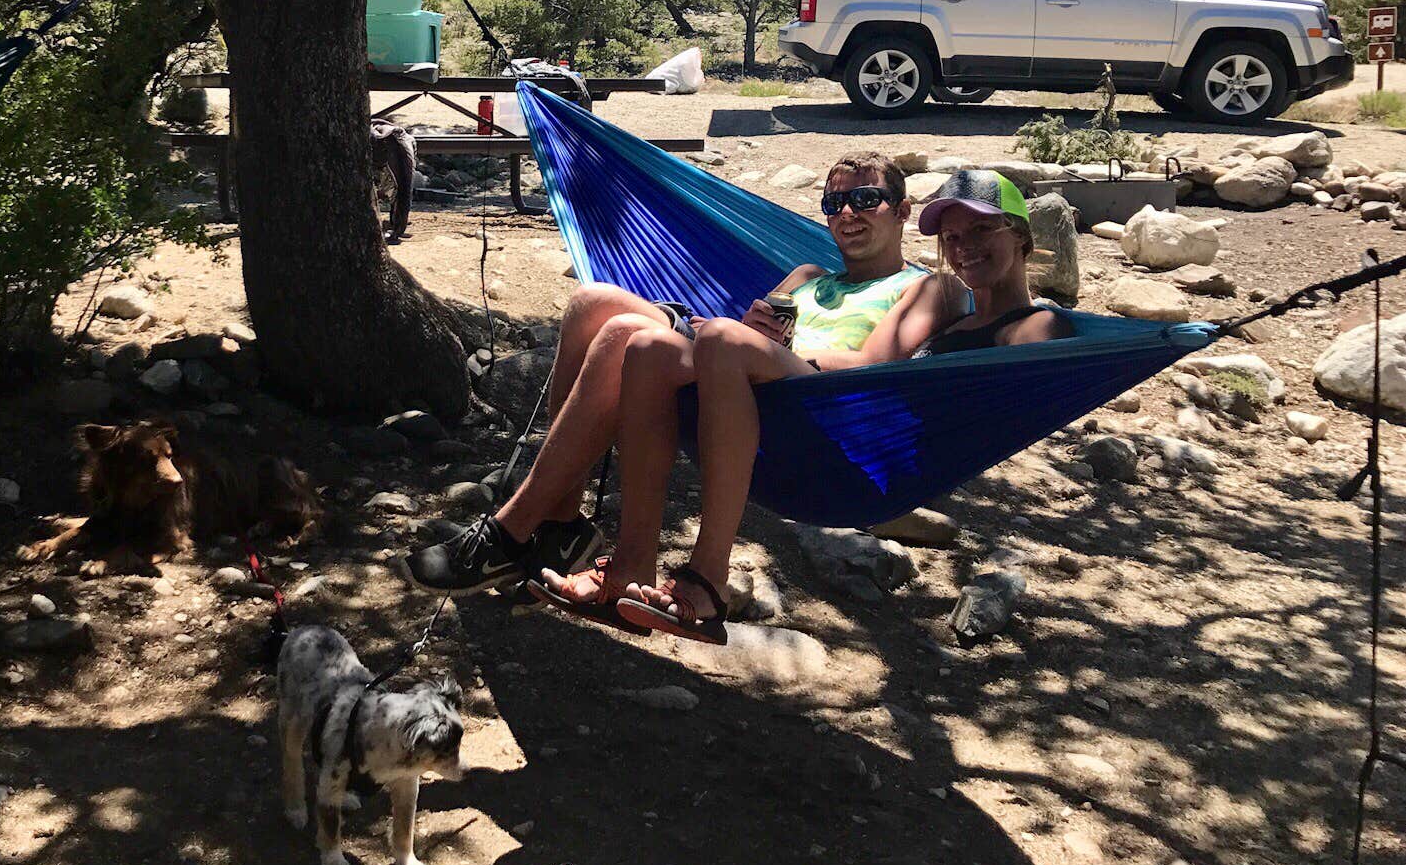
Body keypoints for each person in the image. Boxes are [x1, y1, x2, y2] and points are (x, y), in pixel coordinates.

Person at [405, 150, 930, 602]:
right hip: (741, 364)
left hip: (812, 392)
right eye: (834, 204)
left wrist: (759, 345)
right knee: (596, 308)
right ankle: (562, 520)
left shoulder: (923, 288)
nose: (847, 214)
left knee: (653, 339)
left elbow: (872, 366)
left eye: (865, 200)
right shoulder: (810, 277)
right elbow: (752, 336)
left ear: (903, 210)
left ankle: (512, 530)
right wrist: (749, 332)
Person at [600, 167, 1074, 642]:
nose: (964, 244)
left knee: (717, 338)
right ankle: (616, 559)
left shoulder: (1030, 326)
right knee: (647, 345)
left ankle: (707, 580)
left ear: (1022, 237)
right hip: (813, 421)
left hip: (869, 456)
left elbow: (997, 374)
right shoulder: (958, 314)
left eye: (981, 228)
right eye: (952, 236)